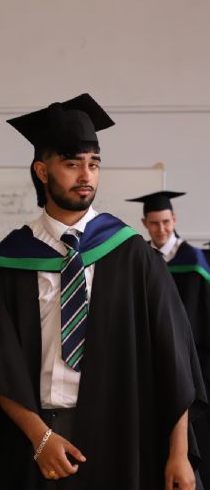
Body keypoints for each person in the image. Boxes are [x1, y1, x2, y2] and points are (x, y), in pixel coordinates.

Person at [0, 94, 207, 489]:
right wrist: (39, 437)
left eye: (94, 164)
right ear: (42, 171)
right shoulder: (11, 260)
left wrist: (179, 454)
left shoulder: (132, 254)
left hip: (121, 433)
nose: (86, 175)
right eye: (72, 164)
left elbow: (173, 358)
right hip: (38, 439)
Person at [127, 190, 210, 488]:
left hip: (194, 362)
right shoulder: (141, 260)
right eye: (154, 223)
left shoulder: (194, 261)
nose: (160, 229)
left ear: (174, 220)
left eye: (165, 222)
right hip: (150, 361)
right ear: (144, 224)